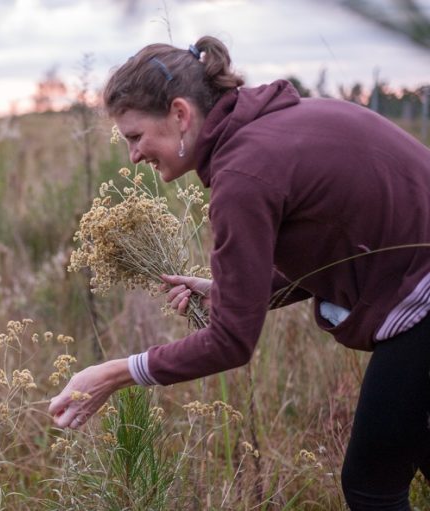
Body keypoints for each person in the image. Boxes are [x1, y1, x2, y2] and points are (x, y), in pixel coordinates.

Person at [48, 35, 430, 510]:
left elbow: (231, 342)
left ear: (180, 114)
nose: (134, 155)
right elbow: (336, 241)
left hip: (422, 302)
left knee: (371, 487)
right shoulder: (271, 128)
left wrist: (114, 373)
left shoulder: (243, 174)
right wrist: (232, 290)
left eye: (135, 136)